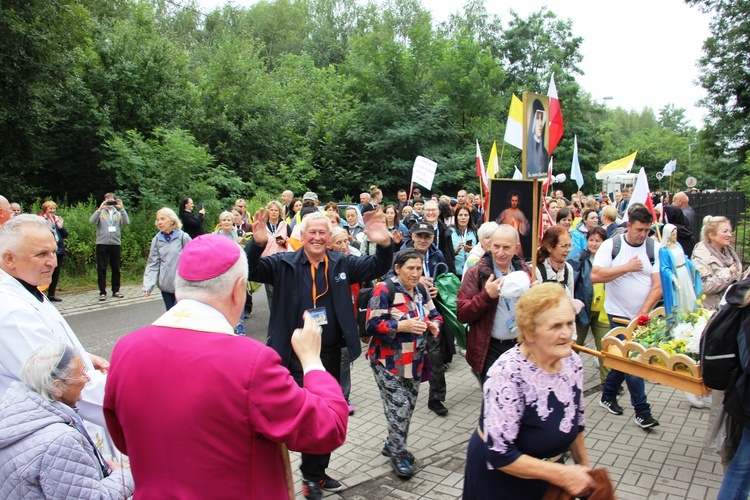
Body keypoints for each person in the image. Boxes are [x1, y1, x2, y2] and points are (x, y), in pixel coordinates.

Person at [104, 234, 348, 499]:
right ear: (238, 288)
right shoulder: (251, 361)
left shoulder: (126, 348)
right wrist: (312, 361)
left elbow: (125, 440)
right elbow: (328, 429)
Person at [246, 210, 393, 499]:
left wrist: (384, 244)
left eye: (322, 233)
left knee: (325, 414)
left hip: (327, 356)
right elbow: (251, 271)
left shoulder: (341, 262)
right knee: (284, 414)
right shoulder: (284, 263)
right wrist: (257, 243)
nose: (317, 237)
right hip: (291, 355)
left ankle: (315, 475)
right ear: (301, 236)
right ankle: (275, 472)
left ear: (329, 236)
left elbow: (376, 266)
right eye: (311, 232)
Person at [463, 283, 595, 499]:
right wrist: (563, 475)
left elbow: (576, 424)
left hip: (550, 476)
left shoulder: (573, 363)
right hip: (502, 482)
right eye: (556, 326)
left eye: (569, 323)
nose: (567, 334)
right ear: (529, 332)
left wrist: (586, 474)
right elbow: (500, 453)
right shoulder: (507, 373)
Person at [0, 215, 110, 430]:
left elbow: (44, 348)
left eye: (53, 251)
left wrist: (82, 357)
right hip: (48, 430)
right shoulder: (13, 311)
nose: (53, 261)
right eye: (41, 254)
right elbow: (60, 383)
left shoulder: (28, 290)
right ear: (9, 259)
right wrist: (130, 393)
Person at [0, 344, 133, 498]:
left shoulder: (14, 415)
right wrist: (125, 477)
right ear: (57, 386)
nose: (87, 378)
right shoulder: (60, 442)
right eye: (82, 373)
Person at [366, 249, 443, 479]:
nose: (415, 273)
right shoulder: (384, 290)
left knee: (407, 407)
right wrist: (401, 327)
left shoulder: (420, 290)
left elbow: (435, 314)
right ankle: (398, 455)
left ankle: (392, 442)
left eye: (419, 268)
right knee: (398, 407)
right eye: (410, 268)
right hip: (387, 362)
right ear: (397, 269)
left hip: (415, 360)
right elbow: (372, 324)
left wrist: (434, 325)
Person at [592, 203, 661, 429]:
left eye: (647, 230)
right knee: (633, 362)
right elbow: (596, 276)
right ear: (628, 225)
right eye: (639, 229)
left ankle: (608, 395)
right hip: (618, 316)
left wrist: (643, 313)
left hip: (642, 318)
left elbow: (658, 286)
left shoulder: (654, 248)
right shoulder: (612, 245)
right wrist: (626, 268)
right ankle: (642, 411)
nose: (643, 235)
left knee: (624, 361)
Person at [457, 225, 533, 384]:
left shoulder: (524, 271)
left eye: (506, 247)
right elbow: (462, 313)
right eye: (496, 246)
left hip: (520, 345)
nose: (500, 252)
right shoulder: (477, 272)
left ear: (516, 248)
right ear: (489, 244)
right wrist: (486, 296)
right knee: (496, 398)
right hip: (489, 348)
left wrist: (536, 295)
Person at [569, 226, 610, 383]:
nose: (594, 244)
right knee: (574, 347)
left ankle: (608, 386)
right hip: (583, 311)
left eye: (598, 241)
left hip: (603, 310)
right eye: (591, 240)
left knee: (605, 349)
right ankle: (568, 379)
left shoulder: (610, 260)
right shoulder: (579, 259)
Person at [142, 207, 191, 311]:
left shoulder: (183, 237)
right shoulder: (157, 239)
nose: (159, 222)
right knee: (170, 315)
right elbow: (152, 264)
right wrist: (148, 286)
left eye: (163, 219)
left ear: (172, 220)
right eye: (158, 220)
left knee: (179, 314)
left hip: (181, 286)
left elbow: (193, 260)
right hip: (165, 286)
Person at [692, 215, 742, 311]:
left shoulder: (728, 251)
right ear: (712, 235)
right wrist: (729, 273)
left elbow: (737, 277)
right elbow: (703, 286)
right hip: (711, 311)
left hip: (730, 308)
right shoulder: (700, 256)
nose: (729, 235)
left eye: (730, 231)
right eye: (725, 231)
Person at [89, 193, 129, 302]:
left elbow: (126, 223)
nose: (110, 202)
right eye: (108, 200)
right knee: (102, 268)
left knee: (116, 268)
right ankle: (102, 292)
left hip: (115, 243)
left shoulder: (117, 213)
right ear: (104, 200)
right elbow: (91, 221)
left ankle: (116, 290)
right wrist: (99, 209)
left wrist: (122, 209)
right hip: (102, 243)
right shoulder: (101, 212)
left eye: (112, 200)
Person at [660, 223, 701, 321]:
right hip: (676, 276)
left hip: (685, 274)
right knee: (680, 299)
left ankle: (691, 317)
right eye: (673, 234)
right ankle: (680, 321)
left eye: (676, 234)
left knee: (690, 297)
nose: (675, 236)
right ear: (668, 235)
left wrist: (695, 266)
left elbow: (685, 259)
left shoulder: (678, 245)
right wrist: (672, 277)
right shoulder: (664, 250)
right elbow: (664, 268)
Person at [261, 200, 288, 310]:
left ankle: (284, 313)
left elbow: (291, 241)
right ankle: (273, 314)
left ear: (279, 212)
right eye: (271, 210)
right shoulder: (263, 226)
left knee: (283, 289)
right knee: (270, 291)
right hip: (267, 260)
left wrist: (284, 241)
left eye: (276, 210)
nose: (273, 212)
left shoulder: (284, 225)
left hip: (282, 260)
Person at [39, 200, 67, 302]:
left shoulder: (58, 219)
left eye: (54, 208)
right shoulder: (41, 219)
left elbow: (65, 235)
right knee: (44, 271)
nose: (52, 211)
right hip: (46, 249)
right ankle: (40, 293)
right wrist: (51, 223)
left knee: (56, 272)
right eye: (50, 208)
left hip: (58, 249)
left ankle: (51, 294)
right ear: (45, 209)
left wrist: (60, 226)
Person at [535, 226, 574, 296]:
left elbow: (570, 298)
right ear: (550, 247)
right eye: (564, 246)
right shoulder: (536, 270)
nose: (568, 250)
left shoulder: (568, 269)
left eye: (569, 245)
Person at [451, 204, 477, 279]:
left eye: (466, 215)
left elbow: (481, 250)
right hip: (455, 272)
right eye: (460, 215)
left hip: (471, 271)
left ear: (469, 217)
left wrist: (473, 249)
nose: (463, 218)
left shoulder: (475, 231)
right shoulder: (450, 232)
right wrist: (455, 251)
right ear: (456, 217)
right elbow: (447, 254)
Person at [525, 98, 549, 177]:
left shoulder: (545, 152)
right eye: (537, 118)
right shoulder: (527, 149)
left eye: (542, 118)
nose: (540, 123)